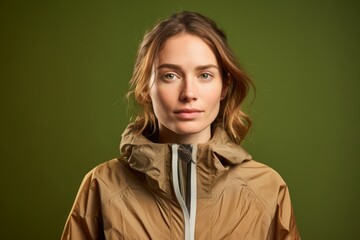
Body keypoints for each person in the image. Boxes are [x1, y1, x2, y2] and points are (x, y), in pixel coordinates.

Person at [61, 11, 300, 240]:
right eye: (170, 76)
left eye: (204, 75)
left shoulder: (267, 187)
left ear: (224, 87)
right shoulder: (102, 185)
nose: (188, 93)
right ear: (145, 88)